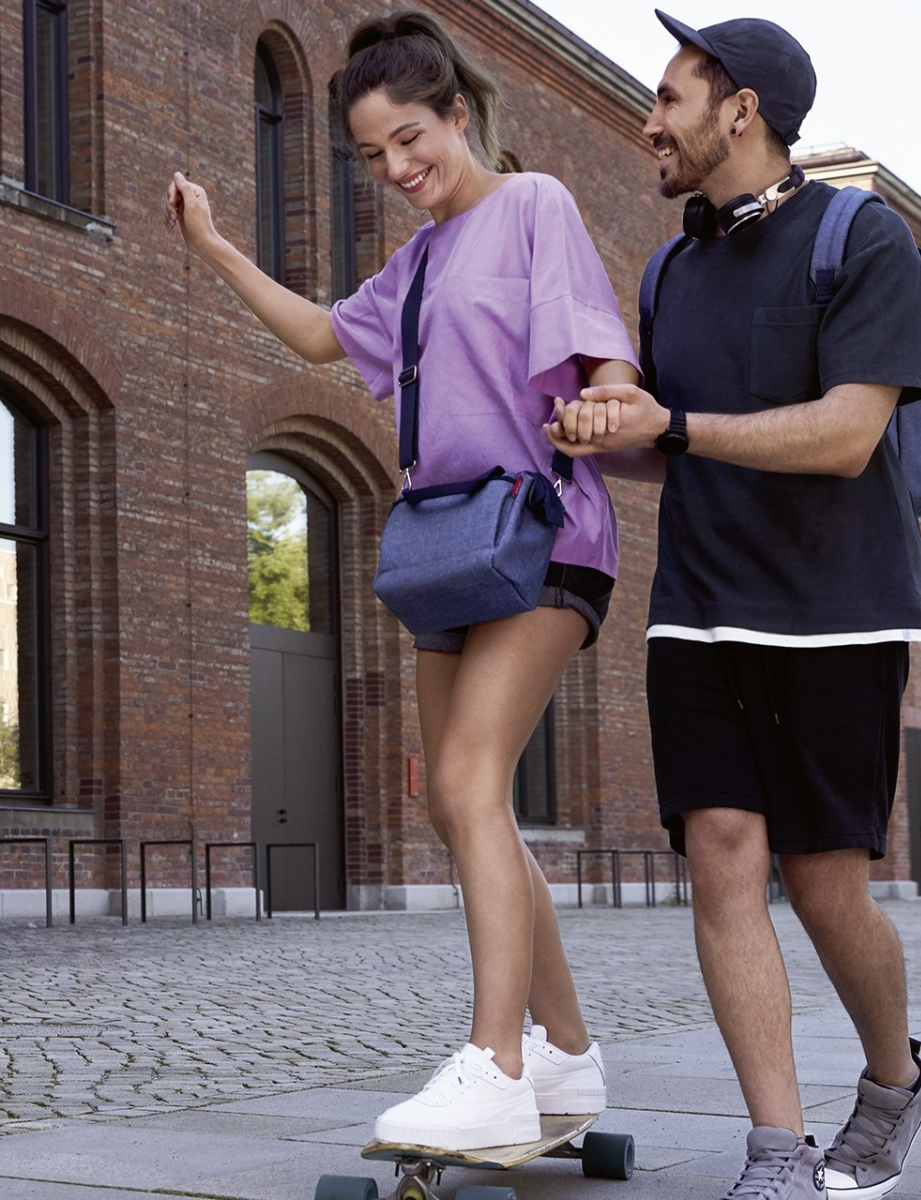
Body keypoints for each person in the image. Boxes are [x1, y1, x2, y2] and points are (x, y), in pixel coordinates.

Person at [165, 9, 640, 1152]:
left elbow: (605, 350)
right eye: (374, 155)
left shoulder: (535, 207)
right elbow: (325, 340)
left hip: (540, 530)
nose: (398, 169)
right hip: (445, 546)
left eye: (412, 139)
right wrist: (217, 248)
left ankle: (496, 1062)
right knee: (452, 798)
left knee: (473, 777)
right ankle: (569, 1059)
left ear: (459, 114)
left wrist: (604, 399)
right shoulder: (413, 263)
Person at [546, 10, 921, 1200]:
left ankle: (891, 1080)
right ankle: (777, 1151)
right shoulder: (672, 265)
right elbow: (678, 445)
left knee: (825, 884)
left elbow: (844, 433)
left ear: (741, 109)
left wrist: (674, 424)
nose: (648, 119)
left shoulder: (862, 238)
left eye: (670, 97)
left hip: (838, 610)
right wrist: (600, 437)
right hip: (697, 605)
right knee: (720, 860)